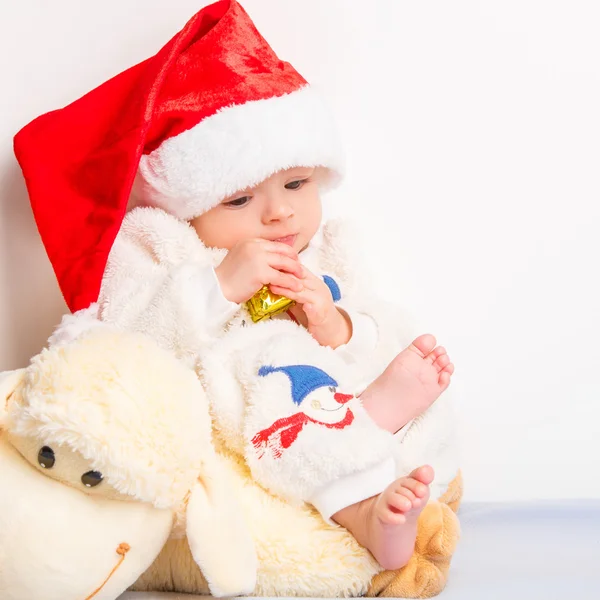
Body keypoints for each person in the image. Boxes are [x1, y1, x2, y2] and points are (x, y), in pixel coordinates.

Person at [14, 0, 457, 571]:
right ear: (190, 205)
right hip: (244, 416)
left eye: (297, 183)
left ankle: (373, 419)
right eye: (240, 199)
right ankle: (367, 509)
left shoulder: (326, 250)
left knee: (390, 350)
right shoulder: (160, 244)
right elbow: (125, 339)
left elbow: (369, 323)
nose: (279, 214)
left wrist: (333, 322)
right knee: (266, 371)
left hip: (325, 389)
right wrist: (218, 284)